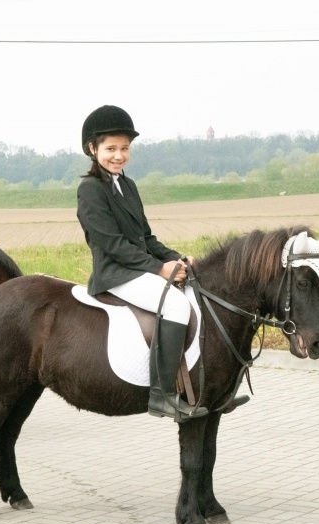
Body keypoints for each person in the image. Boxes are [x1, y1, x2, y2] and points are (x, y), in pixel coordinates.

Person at [76, 105, 207, 422]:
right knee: (176, 306)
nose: (118, 155)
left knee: (195, 293)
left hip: (135, 268)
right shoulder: (90, 189)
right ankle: (161, 396)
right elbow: (113, 244)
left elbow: (146, 238)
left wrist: (175, 258)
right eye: (111, 149)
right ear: (93, 149)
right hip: (115, 273)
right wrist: (158, 269)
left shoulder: (128, 185)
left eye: (124, 148)